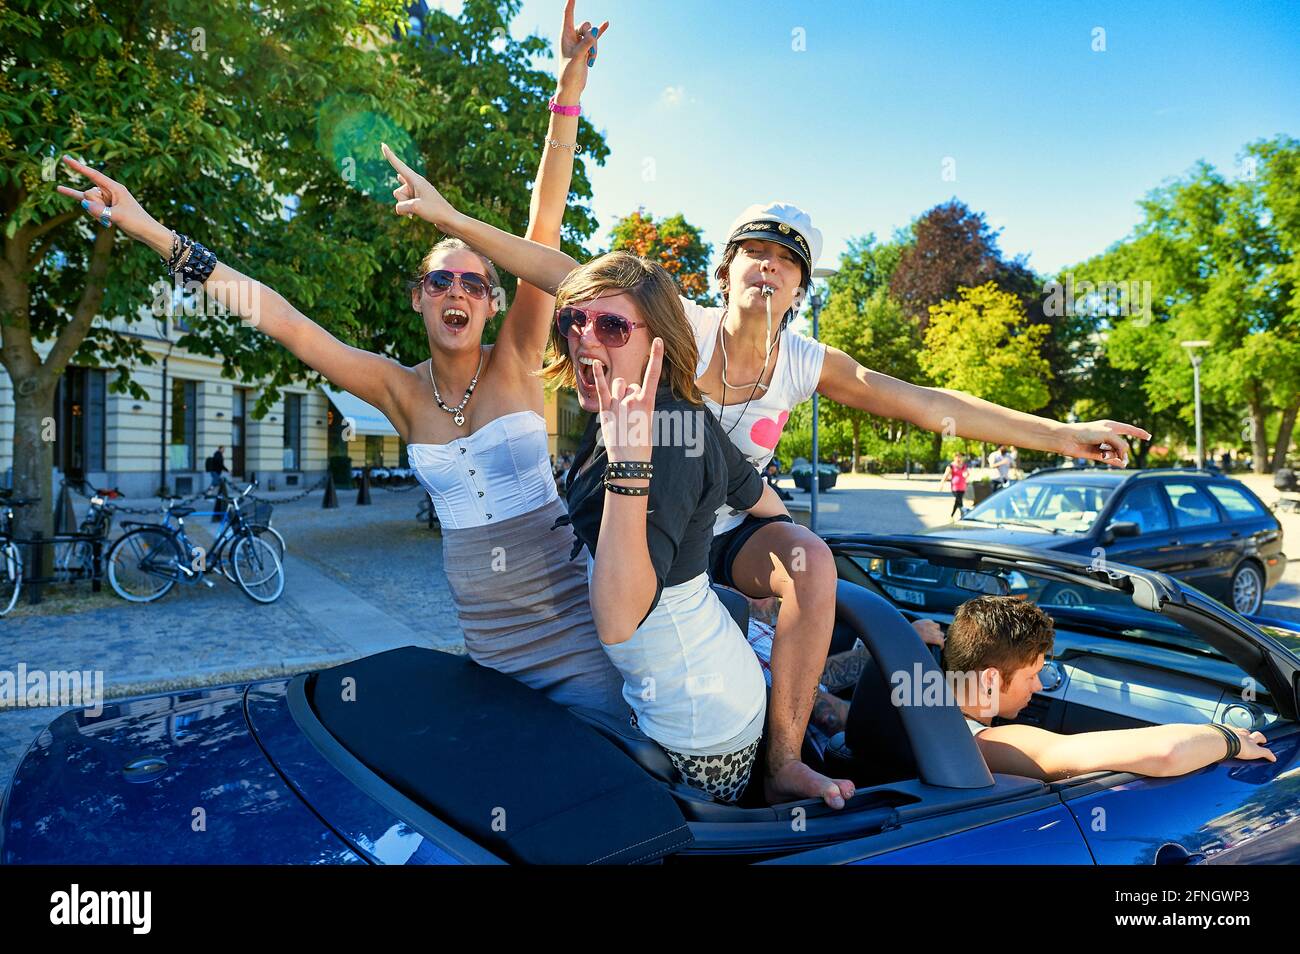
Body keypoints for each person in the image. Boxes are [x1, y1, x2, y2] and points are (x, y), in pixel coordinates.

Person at [387, 192, 1153, 812]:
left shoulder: (805, 362)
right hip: (664, 525)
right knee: (698, 619)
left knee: (813, 565)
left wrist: (1061, 433)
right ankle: (805, 695)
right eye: (754, 252)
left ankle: (786, 756)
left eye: (787, 262)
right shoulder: (681, 322)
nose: (768, 267)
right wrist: (453, 222)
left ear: (798, 291)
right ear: (724, 272)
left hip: (736, 525)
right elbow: (561, 270)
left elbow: (922, 401)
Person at [57, 2, 629, 717]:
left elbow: (545, 220)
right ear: (420, 299)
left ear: (490, 304)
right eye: (440, 279)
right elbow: (284, 320)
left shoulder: (515, 355)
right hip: (489, 650)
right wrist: (152, 231)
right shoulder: (397, 390)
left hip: (576, 632)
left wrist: (568, 91)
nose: (458, 290)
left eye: (475, 282)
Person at [551, 251, 791, 802]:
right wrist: (782, 532)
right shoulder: (673, 410)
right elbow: (757, 494)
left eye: (611, 326)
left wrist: (631, 464)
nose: (585, 339)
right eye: (573, 320)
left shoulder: (660, 439)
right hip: (709, 693)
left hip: (698, 734)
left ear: (657, 341)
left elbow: (618, 620)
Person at [940, 596, 1275, 780]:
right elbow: (1165, 754)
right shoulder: (981, 745)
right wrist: (1229, 738)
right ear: (989, 680)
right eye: (1031, 675)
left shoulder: (916, 703)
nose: (1040, 685)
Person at [941, 452, 970, 517]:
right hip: (955, 487)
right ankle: (963, 513)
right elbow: (946, 475)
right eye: (958, 457)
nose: (959, 459)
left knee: (957, 501)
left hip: (962, 486)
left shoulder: (963, 465)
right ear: (955, 457)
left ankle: (952, 515)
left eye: (961, 457)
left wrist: (967, 475)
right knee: (959, 499)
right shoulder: (951, 465)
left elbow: (967, 473)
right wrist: (942, 483)